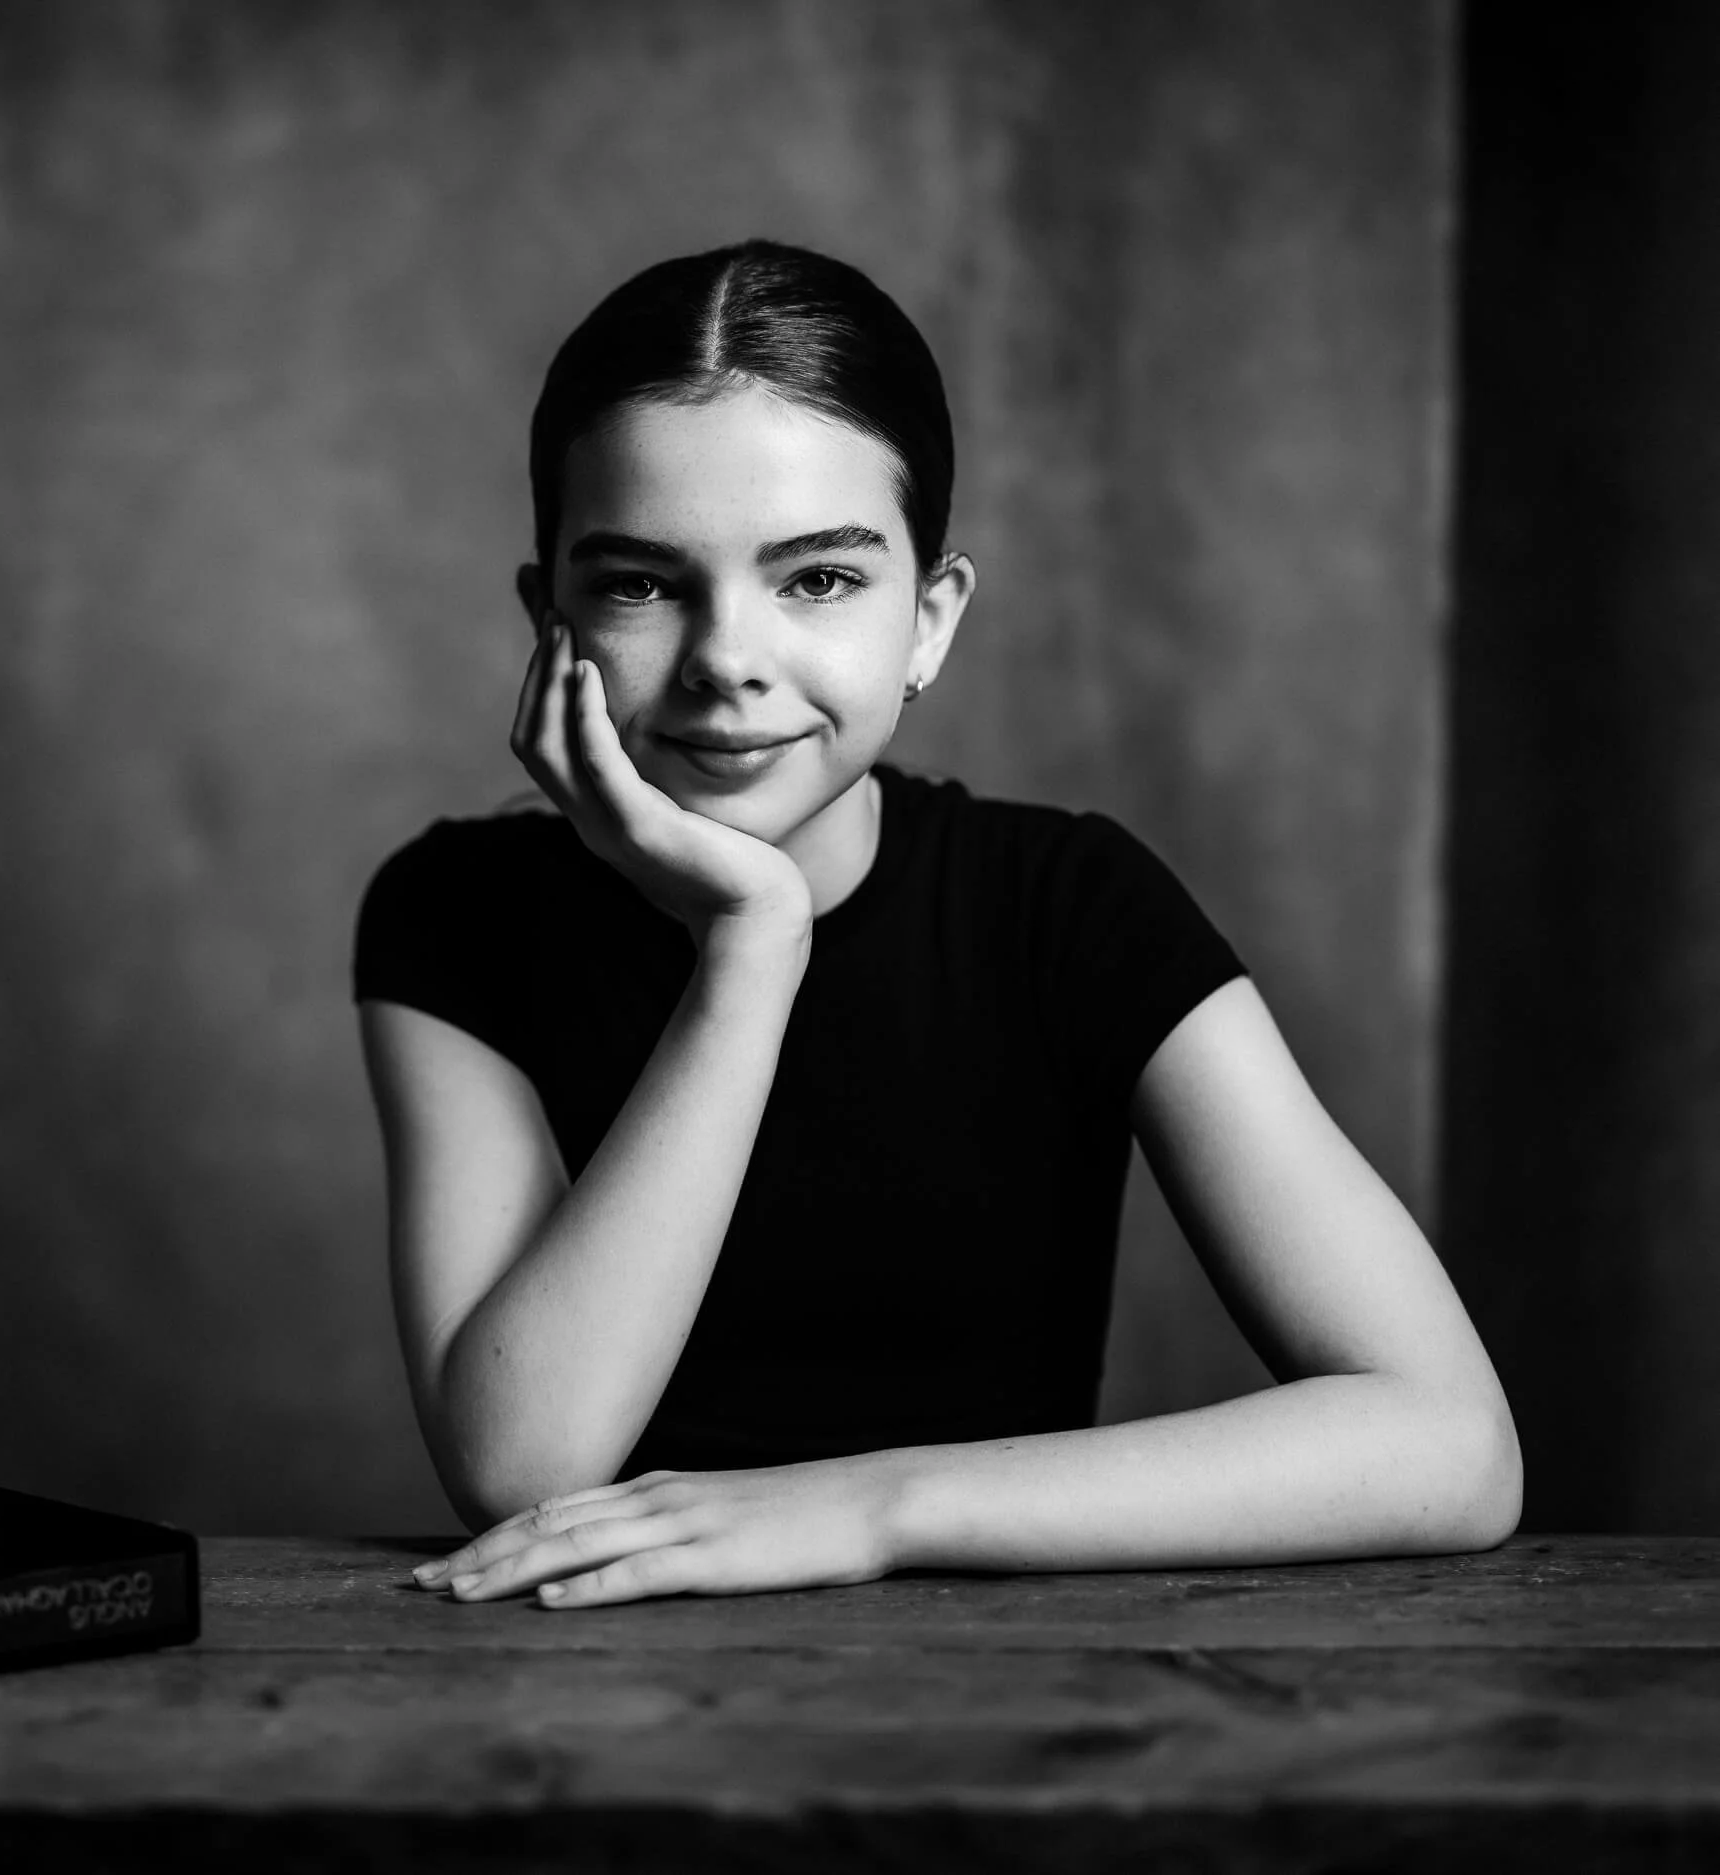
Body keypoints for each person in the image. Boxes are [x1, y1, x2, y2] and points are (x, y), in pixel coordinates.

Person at [353, 240, 1519, 1609]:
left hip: (1013, 1687)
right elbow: (526, 1467)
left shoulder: (1066, 903)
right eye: (644, 584)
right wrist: (753, 945)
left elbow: (1453, 1442)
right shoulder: (456, 911)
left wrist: (873, 1505)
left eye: (821, 579)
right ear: (546, 615)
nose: (730, 658)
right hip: (589, 1691)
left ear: (929, 619)